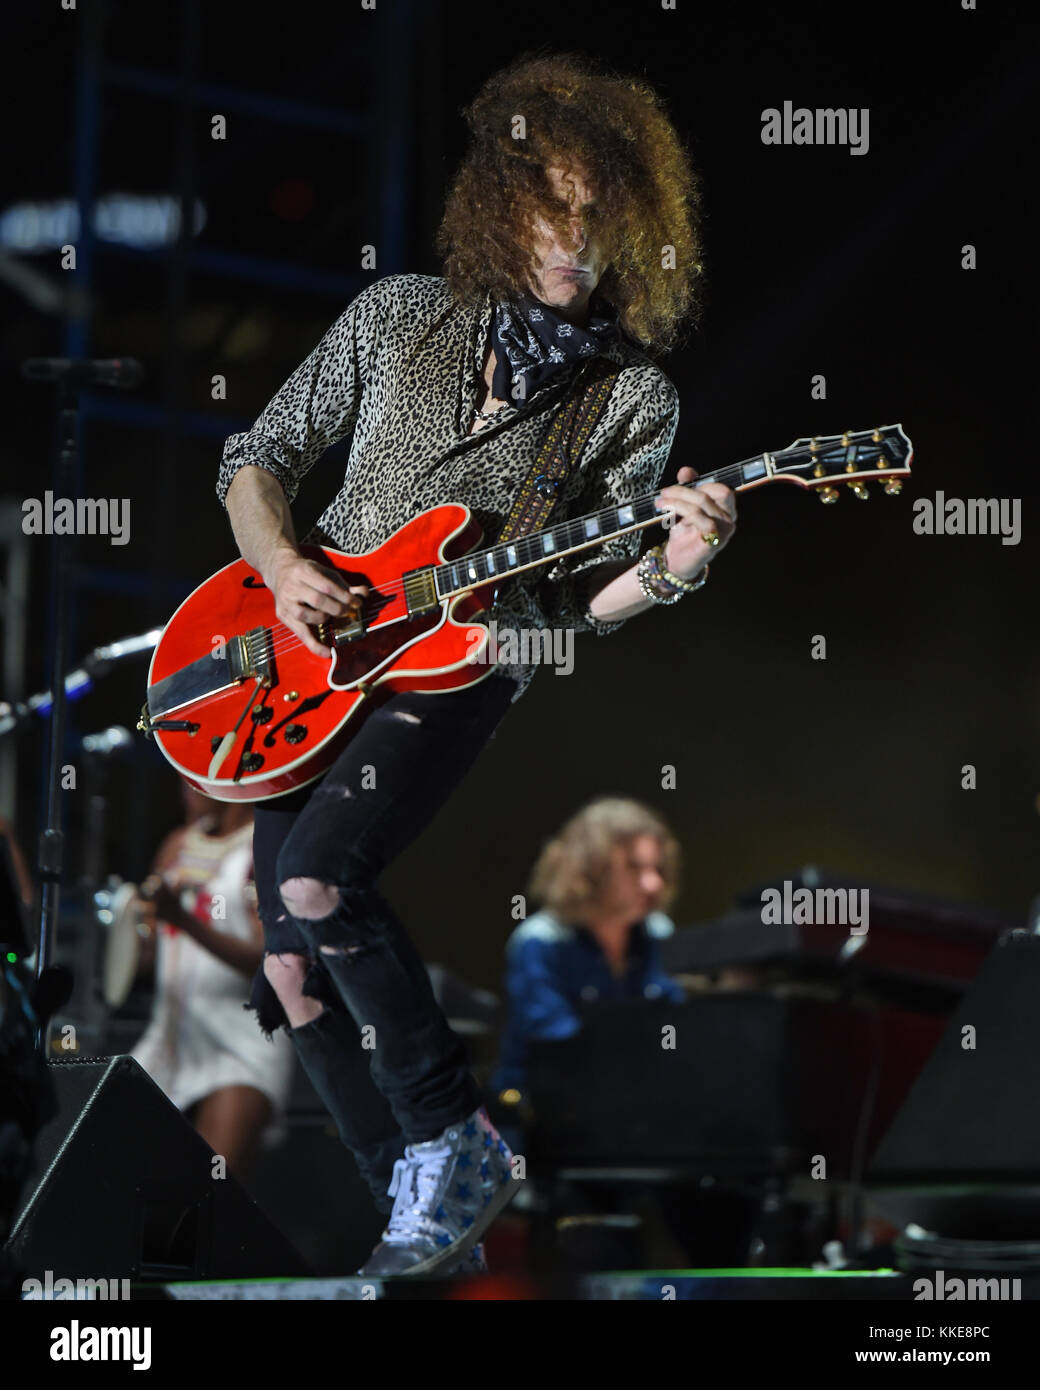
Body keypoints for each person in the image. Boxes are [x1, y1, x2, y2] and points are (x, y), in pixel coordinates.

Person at [215, 53, 737, 1276]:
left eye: (597, 216)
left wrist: (672, 566)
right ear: (501, 205)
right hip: (309, 659)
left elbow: (578, 604)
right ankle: (414, 1205)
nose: (572, 239)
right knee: (289, 965)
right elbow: (258, 452)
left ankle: (454, 1131)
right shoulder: (398, 314)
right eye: (551, 206)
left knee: (314, 882)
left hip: (461, 667)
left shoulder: (626, 401)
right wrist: (286, 566)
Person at [131, 783, 293, 1175]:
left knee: (210, 1194)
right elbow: (147, 947)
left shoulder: (260, 850)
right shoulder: (176, 845)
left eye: (198, 777)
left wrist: (185, 921)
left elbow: (270, 959)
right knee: (116, 1177)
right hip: (168, 1038)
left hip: (239, 1041)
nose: (187, 786)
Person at [491, 798, 686, 1103]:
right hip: (546, 1117)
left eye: (657, 868)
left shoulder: (659, 933)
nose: (653, 883)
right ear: (589, 871)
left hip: (634, 1108)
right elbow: (564, 1045)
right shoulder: (540, 942)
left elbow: (680, 1026)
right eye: (634, 867)